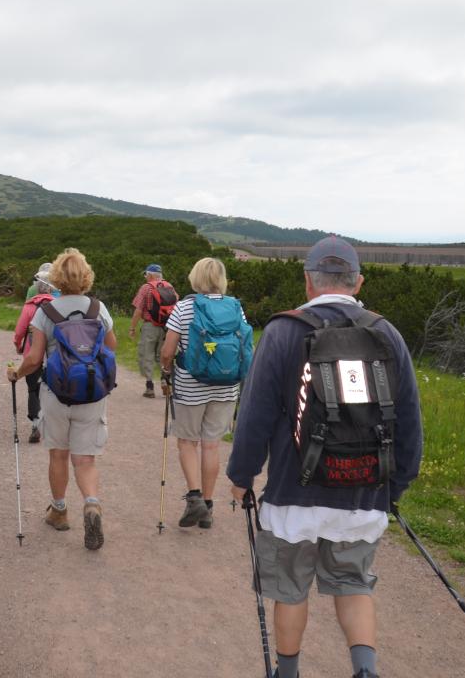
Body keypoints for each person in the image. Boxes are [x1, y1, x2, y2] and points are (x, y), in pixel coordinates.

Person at [227, 236, 422, 678]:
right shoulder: (387, 333)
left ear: (308, 282)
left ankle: (288, 672)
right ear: (358, 281)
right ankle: (365, 671)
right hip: (363, 495)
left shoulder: (282, 331)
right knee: (353, 585)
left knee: (291, 590)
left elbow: (255, 414)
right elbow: (408, 419)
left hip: (293, 495)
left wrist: (241, 475)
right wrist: (397, 484)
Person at [6, 248, 117, 551]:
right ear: (85, 276)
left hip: (56, 393)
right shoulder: (98, 309)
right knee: (85, 458)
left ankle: (59, 510)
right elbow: (111, 347)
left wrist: (16, 374)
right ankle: (92, 504)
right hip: (92, 392)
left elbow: (34, 358)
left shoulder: (46, 312)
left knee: (59, 454)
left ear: (55, 277)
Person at [159, 257, 248, 530]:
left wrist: (165, 371)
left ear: (195, 277)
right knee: (211, 444)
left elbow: (167, 351)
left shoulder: (184, 307)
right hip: (226, 386)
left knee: (187, 442)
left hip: (190, 385)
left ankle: (194, 497)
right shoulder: (235, 306)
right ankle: (208, 506)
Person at [12, 263, 57, 444]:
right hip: (53, 356)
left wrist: (18, 346)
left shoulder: (30, 306)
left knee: (33, 389)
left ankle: (35, 424)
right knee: (51, 390)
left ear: (37, 287)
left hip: (32, 354)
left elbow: (19, 331)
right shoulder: (58, 306)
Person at [128, 262, 177, 398]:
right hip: (167, 326)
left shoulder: (146, 288)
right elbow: (176, 305)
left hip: (150, 326)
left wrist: (132, 328)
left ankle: (149, 387)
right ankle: (165, 381)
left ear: (149, 275)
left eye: (145, 274)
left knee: (146, 354)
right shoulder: (169, 286)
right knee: (163, 355)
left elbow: (138, 310)